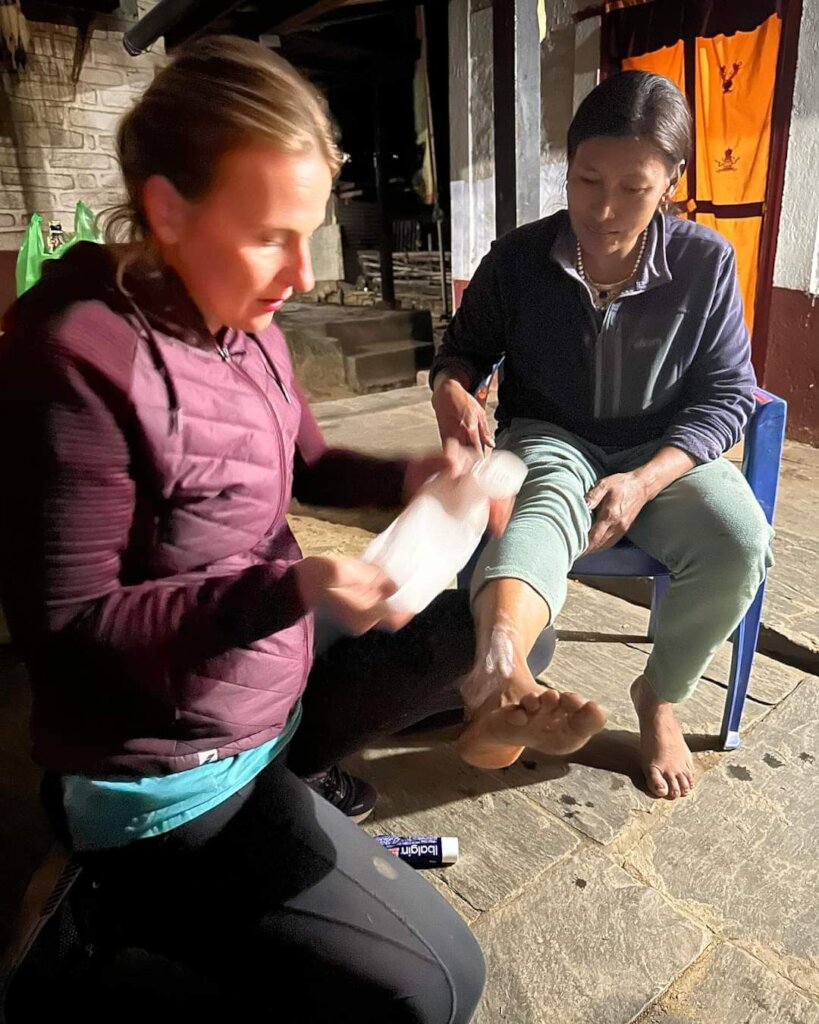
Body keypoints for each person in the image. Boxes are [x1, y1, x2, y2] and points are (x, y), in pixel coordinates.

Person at [0, 36, 490, 1023]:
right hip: (158, 764)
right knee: (439, 986)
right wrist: (294, 588)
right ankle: (99, 927)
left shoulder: (247, 325)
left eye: (309, 233)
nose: (304, 276)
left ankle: (284, 786)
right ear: (168, 208)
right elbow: (71, 626)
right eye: (273, 235)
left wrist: (414, 477)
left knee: (475, 618)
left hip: (263, 676)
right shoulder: (76, 363)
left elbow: (309, 463)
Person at [430, 71, 773, 801]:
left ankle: (660, 697)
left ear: (671, 180)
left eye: (633, 188)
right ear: (567, 163)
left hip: (664, 452)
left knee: (737, 539)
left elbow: (725, 393)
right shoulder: (519, 259)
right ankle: (501, 675)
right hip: (551, 434)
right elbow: (463, 350)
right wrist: (449, 389)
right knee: (540, 507)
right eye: (586, 179)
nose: (605, 208)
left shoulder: (703, 263)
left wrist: (646, 478)